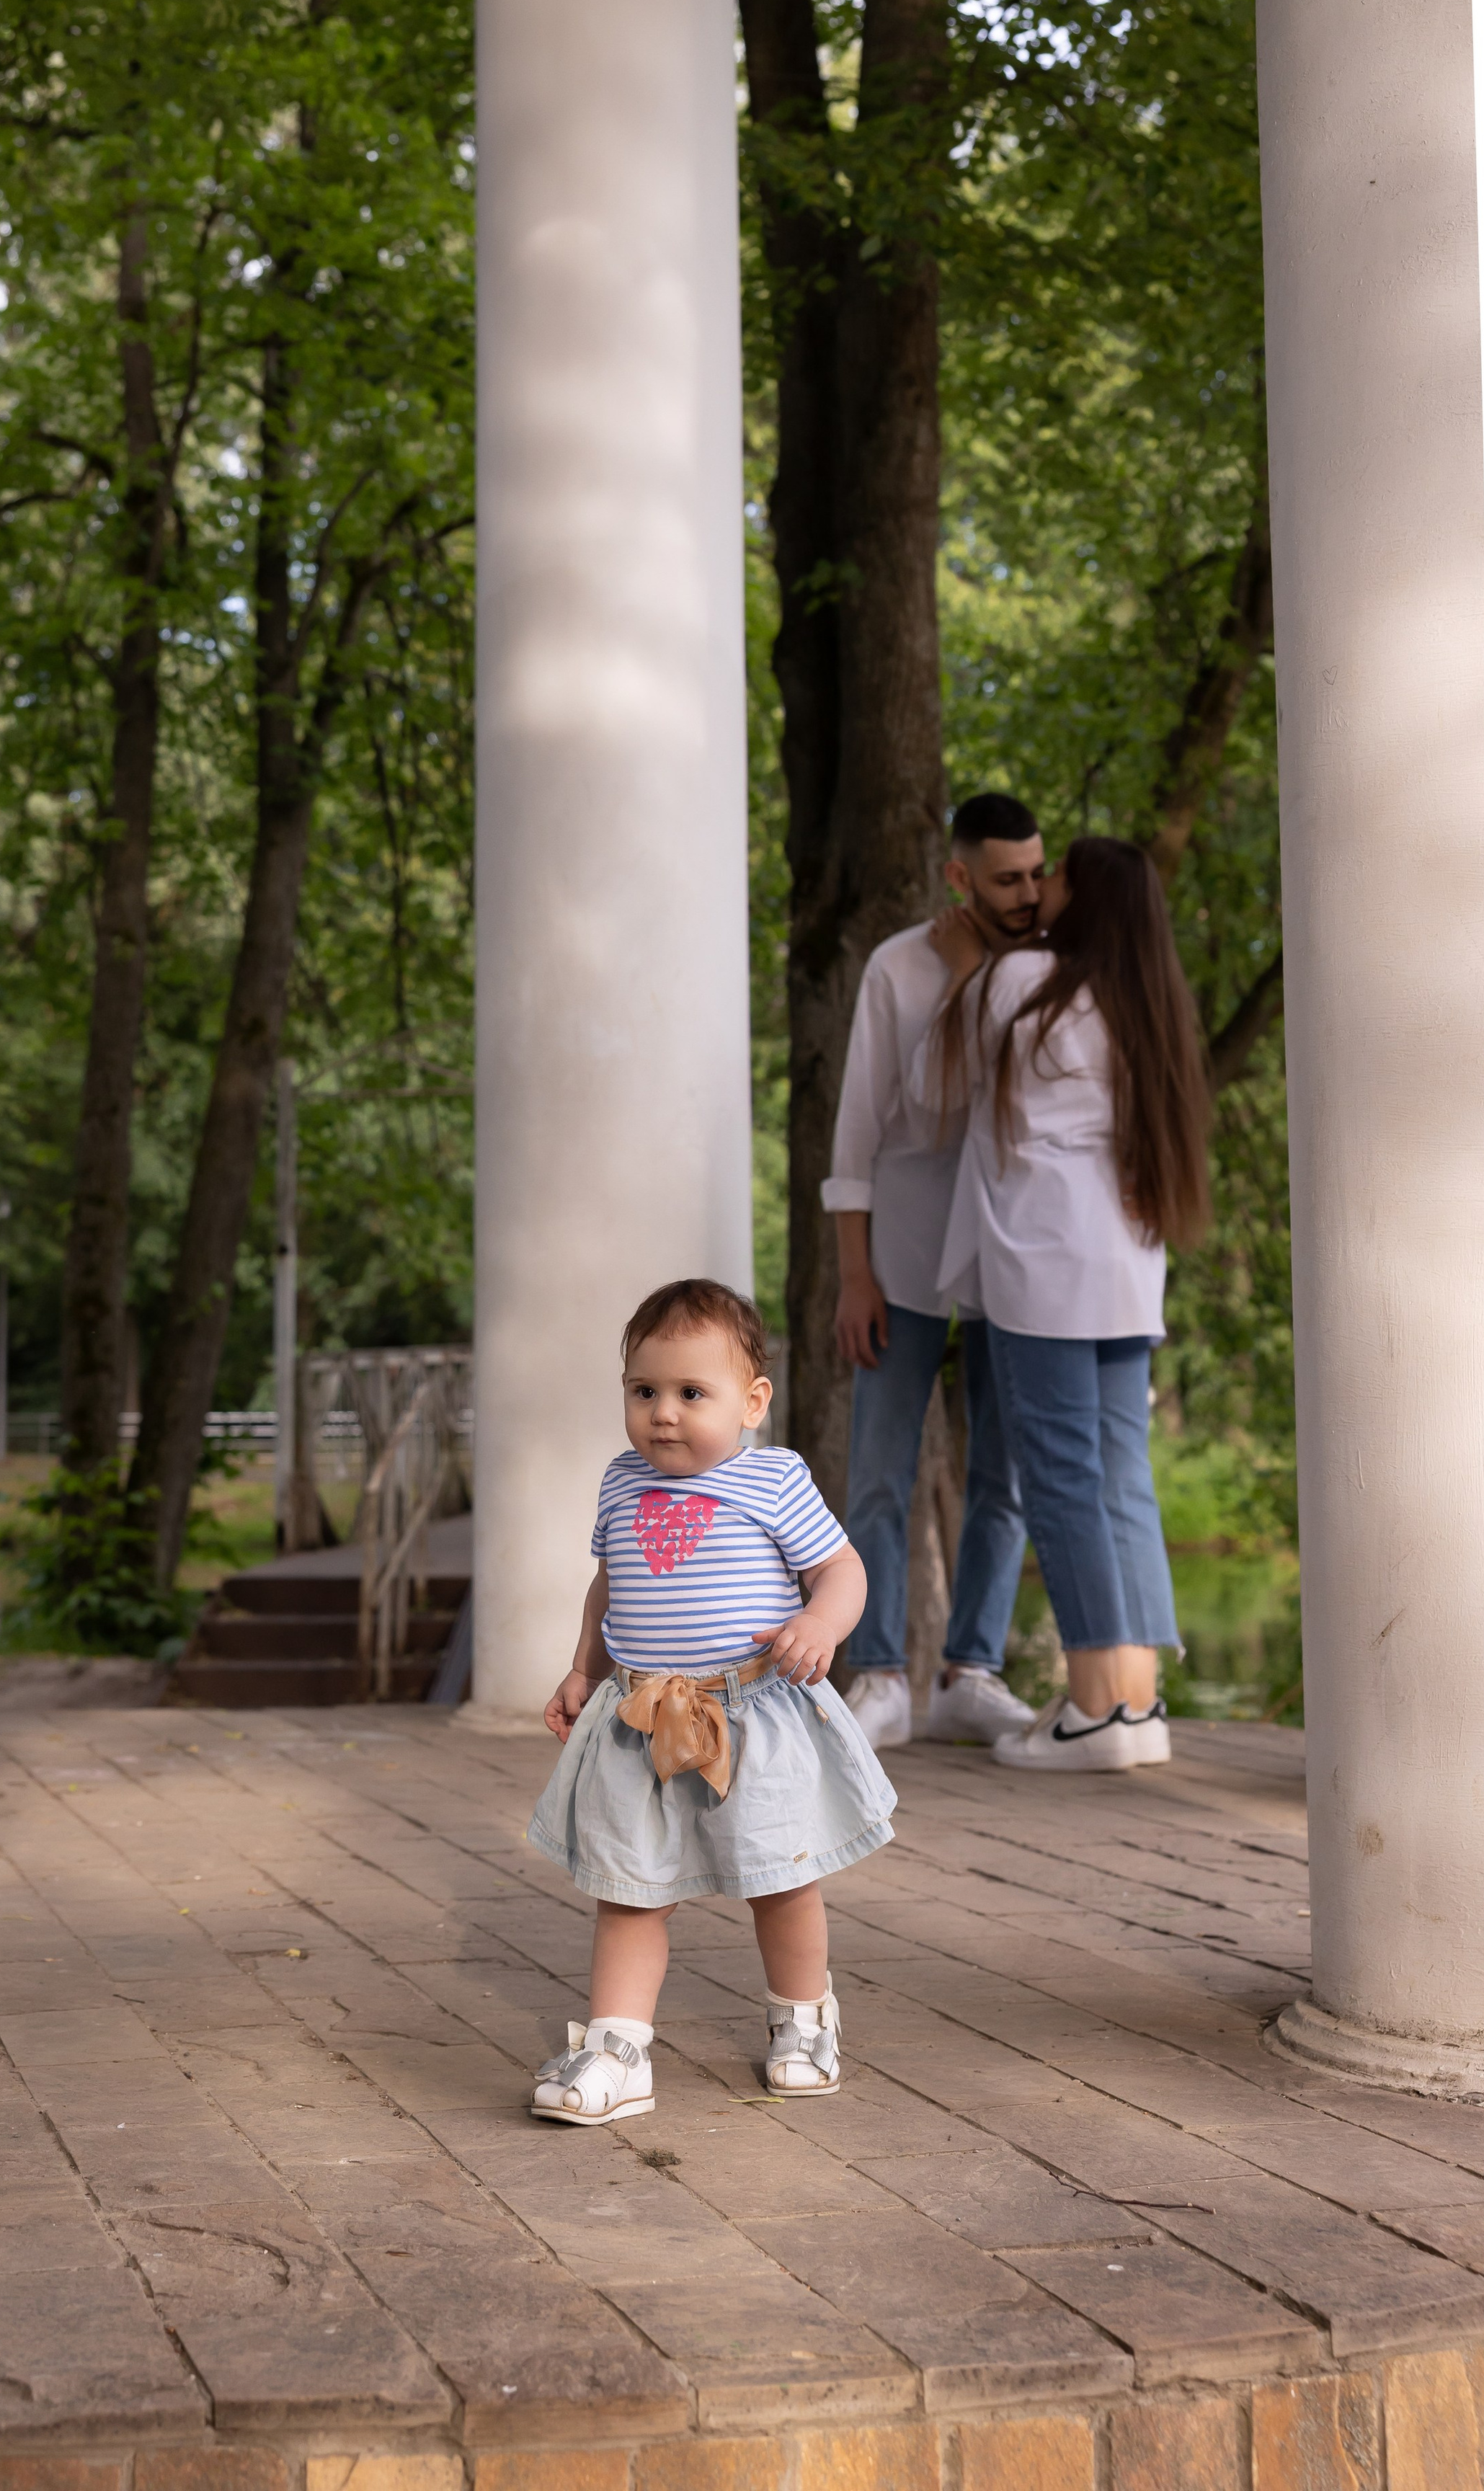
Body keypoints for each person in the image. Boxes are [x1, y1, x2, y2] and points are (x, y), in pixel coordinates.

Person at [526, 1278, 896, 2123]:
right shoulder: (621, 1482)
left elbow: (841, 1567)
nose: (663, 1413)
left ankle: (803, 2021)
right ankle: (617, 2048)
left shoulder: (772, 1480)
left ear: (751, 1402)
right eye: (644, 1391)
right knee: (628, 1887)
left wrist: (821, 1623)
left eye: (692, 1393)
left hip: (753, 1714)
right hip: (640, 1719)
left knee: (779, 1877)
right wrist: (583, 1668)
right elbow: (608, 1585)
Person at [917, 834, 1212, 1770]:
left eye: (1056, 879)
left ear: (1081, 904)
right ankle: (1136, 1702)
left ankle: (1091, 1710)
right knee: (1121, 1472)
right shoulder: (1145, 1002)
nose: (1039, 890)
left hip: (1045, 1265)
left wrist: (967, 970)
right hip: (1128, 1260)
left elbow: (937, 1086)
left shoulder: (1023, 981)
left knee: (1058, 1473)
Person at [824, 791, 1044, 1752]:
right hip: (905, 1249)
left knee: (1009, 1472)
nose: (1029, 893)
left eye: (1037, 873)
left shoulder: (1051, 969)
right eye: (1007, 878)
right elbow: (864, 1127)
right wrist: (853, 1274)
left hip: (1013, 1254)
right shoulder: (897, 968)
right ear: (958, 877)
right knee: (879, 1470)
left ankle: (973, 1670)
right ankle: (876, 1672)